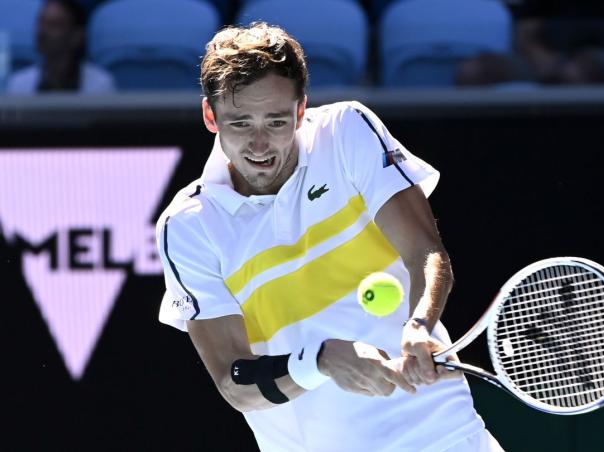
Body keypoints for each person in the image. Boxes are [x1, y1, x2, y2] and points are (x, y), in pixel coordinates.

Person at [156, 23, 503, 452]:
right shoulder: (188, 226)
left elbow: (424, 251)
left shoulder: (346, 131)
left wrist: (419, 324)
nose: (259, 144)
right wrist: (320, 361)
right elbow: (234, 382)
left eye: (277, 121)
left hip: (447, 438)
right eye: (240, 122)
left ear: (301, 110)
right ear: (210, 116)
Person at [6, 0, 115, 94]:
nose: (42, 32)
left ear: (76, 36)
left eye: (54, 25)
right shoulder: (19, 85)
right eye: (41, 22)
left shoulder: (100, 85)